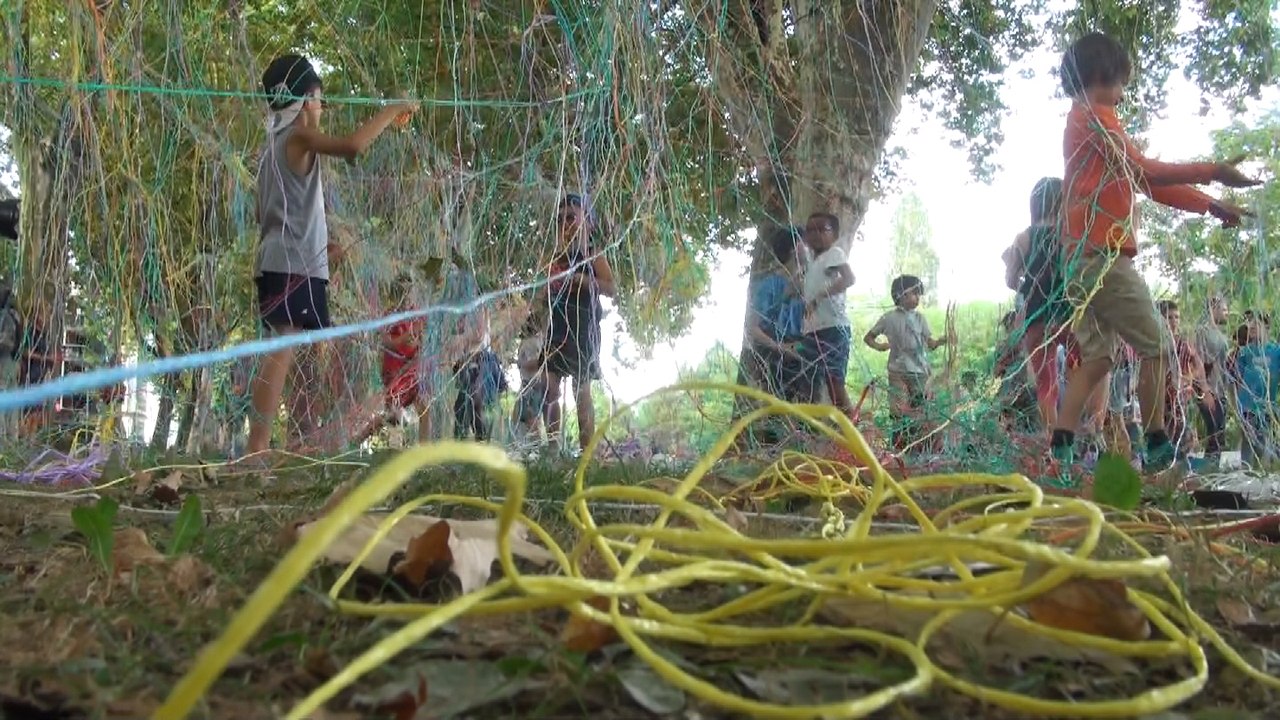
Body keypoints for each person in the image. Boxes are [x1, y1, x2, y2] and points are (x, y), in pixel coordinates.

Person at [1049, 32, 1257, 474]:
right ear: (1099, 75)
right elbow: (1147, 169)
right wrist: (1215, 171)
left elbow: (1146, 183)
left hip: (1080, 259)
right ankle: (1159, 439)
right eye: (1120, 82)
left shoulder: (1088, 124)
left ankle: (1061, 444)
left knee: (1100, 358)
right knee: (1159, 344)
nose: (1123, 93)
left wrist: (1210, 203)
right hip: (1100, 257)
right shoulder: (1093, 116)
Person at [244, 54, 417, 457]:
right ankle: (256, 448)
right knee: (281, 350)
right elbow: (353, 146)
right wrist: (391, 110)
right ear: (306, 101)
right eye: (320, 100)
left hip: (283, 259)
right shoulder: (297, 136)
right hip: (291, 264)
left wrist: (322, 248)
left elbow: (270, 214)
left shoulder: (272, 147)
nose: (322, 109)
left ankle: (266, 443)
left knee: (284, 350)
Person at [542, 193, 616, 452]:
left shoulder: (592, 254)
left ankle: (587, 455)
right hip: (556, 328)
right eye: (560, 219)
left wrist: (580, 281)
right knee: (549, 387)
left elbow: (611, 287)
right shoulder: (553, 257)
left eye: (571, 217)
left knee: (580, 390)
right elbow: (542, 294)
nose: (566, 223)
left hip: (583, 330)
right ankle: (552, 450)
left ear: (587, 222)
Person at [1002, 177, 1078, 430]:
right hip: (1068, 315)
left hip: (1036, 319)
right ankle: (1088, 429)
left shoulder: (1023, 237)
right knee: (1084, 369)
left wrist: (1020, 270)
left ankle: (1053, 444)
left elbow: (1011, 281)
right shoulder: (1071, 234)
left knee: (1047, 385)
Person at [864, 275, 950, 451]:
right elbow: (869, 337)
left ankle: (920, 448)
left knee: (921, 409)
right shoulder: (888, 318)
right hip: (898, 371)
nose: (918, 297)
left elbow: (930, 344)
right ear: (900, 295)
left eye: (919, 294)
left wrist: (943, 340)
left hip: (920, 372)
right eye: (914, 293)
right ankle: (897, 449)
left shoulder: (920, 319)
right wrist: (880, 347)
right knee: (898, 410)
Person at [745, 226, 809, 401]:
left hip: (798, 350)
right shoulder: (769, 286)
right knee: (782, 407)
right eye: (806, 242)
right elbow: (753, 329)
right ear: (794, 248)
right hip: (774, 354)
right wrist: (782, 348)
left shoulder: (808, 287)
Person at [800, 212, 855, 415]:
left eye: (822, 229)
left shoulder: (834, 253)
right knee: (809, 382)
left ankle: (852, 431)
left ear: (835, 234)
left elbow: (849, 278)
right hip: (812, 330)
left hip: (833, 328)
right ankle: (815, 433)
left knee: (834, 383)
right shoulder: (811, 263)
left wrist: (821, 296)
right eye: (810, 230)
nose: (815, 234)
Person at [1157, 300, 1213, 459]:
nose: (1174, 322)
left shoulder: (1183, 343)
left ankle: (1185, 469)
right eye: (1169, 317)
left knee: (1184, 435)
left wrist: (1189, 379)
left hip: (1180, 400)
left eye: (1177, 317)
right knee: (1163, 435)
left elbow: (1199, 366)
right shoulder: (1156, 343)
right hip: (1160, 400)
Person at [1231, 311, 1279, 469]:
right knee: (1247, 441)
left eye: (1255, 324)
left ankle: (1262, 472)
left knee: (1262, 442)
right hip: (1247, 405)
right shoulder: (1245, 352)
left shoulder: (1276, 351)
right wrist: (1237, 405)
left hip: (1266, 406)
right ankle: (1245, 473)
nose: (1251, 326)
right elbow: (1238, 379)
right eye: (1249, 323)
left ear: (1266, 327)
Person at [1195, 294, 1231, 467]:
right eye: (1224, 309)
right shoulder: (1202, 332)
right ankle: (1208, 472)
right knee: (1213, 433)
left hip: (1220, 390)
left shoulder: (1219, 333)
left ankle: (1213, 470)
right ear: (1213, 309)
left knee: (1219, 433)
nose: (1227, 313)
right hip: (1208, 391)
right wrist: (1205, 390)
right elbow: (1199, 362)